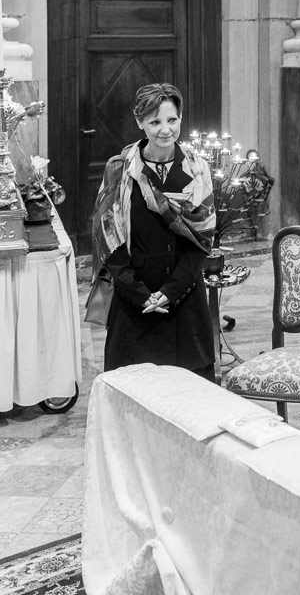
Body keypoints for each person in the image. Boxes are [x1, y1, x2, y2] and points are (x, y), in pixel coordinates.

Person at [91, 83, 216, 378]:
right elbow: (108, 239)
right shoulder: (119, 169)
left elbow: (202, 239)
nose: (165, 130)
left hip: (183, 302)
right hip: (134, 306)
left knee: (190, 403)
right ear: (140, 123)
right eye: (155, 121)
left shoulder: (198, 170)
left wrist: (170, 293)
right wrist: (141, 294)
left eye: (172, 120)